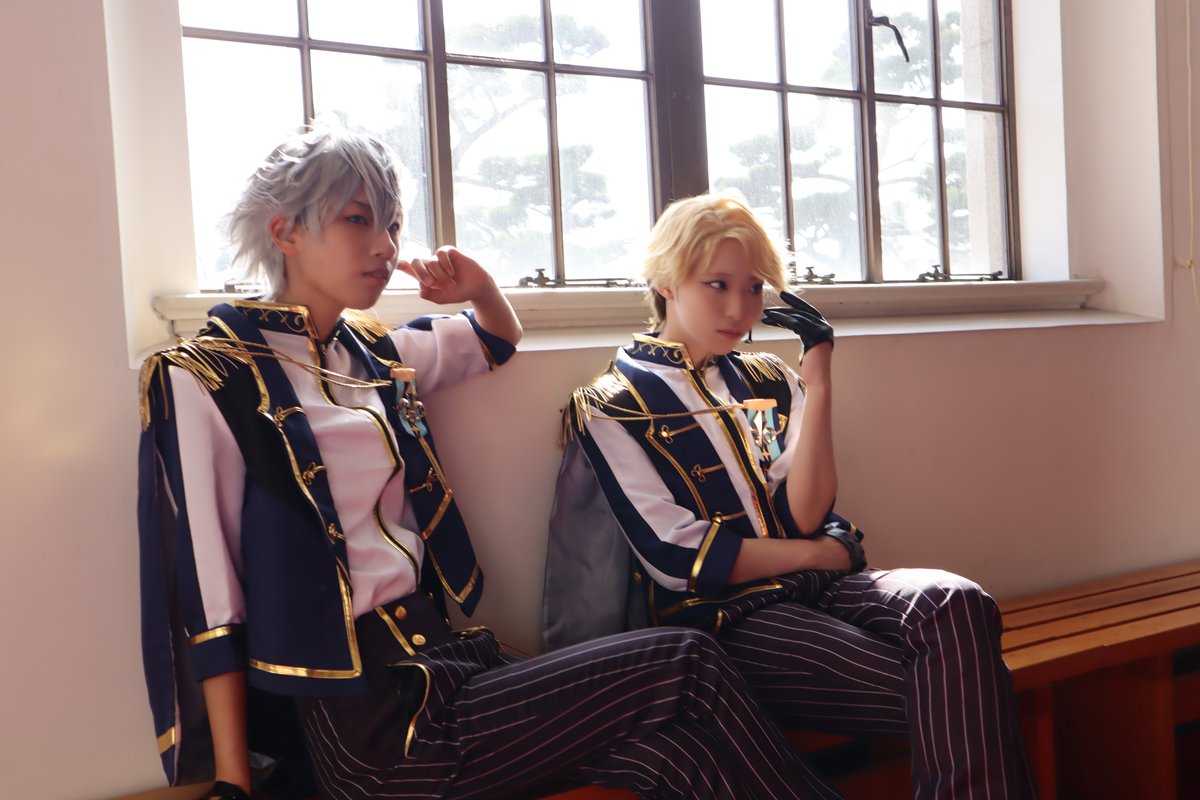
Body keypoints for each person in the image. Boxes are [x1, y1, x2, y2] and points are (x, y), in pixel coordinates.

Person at [137, 129, 843, 800]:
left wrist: (477, 287)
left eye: (393, 225)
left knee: (674, 751)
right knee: (684, 657)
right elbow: (211, 597)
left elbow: (495, 339)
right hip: (370, 724)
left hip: (451, 663)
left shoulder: (376, 355)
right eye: (358, 220)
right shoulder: (209, 376)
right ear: (284, 231)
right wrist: (235, 779)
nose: (385, 246)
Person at [545, 191, 1038, 799]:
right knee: (970, 690)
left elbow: (803, 513)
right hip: (729, 622)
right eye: (717, 285)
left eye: (754, 288)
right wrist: (819, 553)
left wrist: (819, 376)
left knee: (956, 599)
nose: (740, 309)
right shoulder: (613, 406)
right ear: (666, 281)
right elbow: (675, 557)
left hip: (819, 590)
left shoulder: (768, 380)